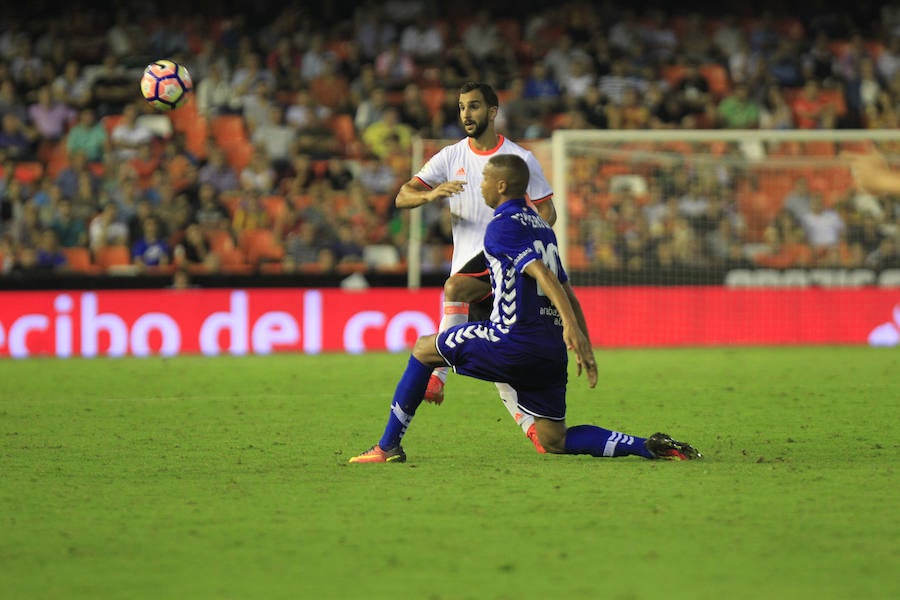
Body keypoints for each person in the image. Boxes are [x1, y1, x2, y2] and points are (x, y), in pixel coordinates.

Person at [349, 154, 701, 464]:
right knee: (554, 440)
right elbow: (567, 289)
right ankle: (647, 446)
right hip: (549, 354)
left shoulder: (501, 226)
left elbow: (541, 273)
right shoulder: (543, 230)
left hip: (511, 341)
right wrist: (584, 342)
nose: (481, 185)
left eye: (485, 179)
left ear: (501, 185)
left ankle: (387, 447)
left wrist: (571, 327)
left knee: (424, 348)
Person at [393, 82, 557, 452]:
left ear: (493, 111)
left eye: (475, 106)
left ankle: (436, 374)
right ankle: (538, 433)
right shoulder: (450, 157)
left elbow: (548, 210)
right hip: (472, 269)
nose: (466, 114)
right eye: (462, 107)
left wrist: (526, 234)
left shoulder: (520, 159)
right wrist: (431, 194)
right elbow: (403, 195)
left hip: (507, 269)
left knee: (454, 289)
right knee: (502, 367)